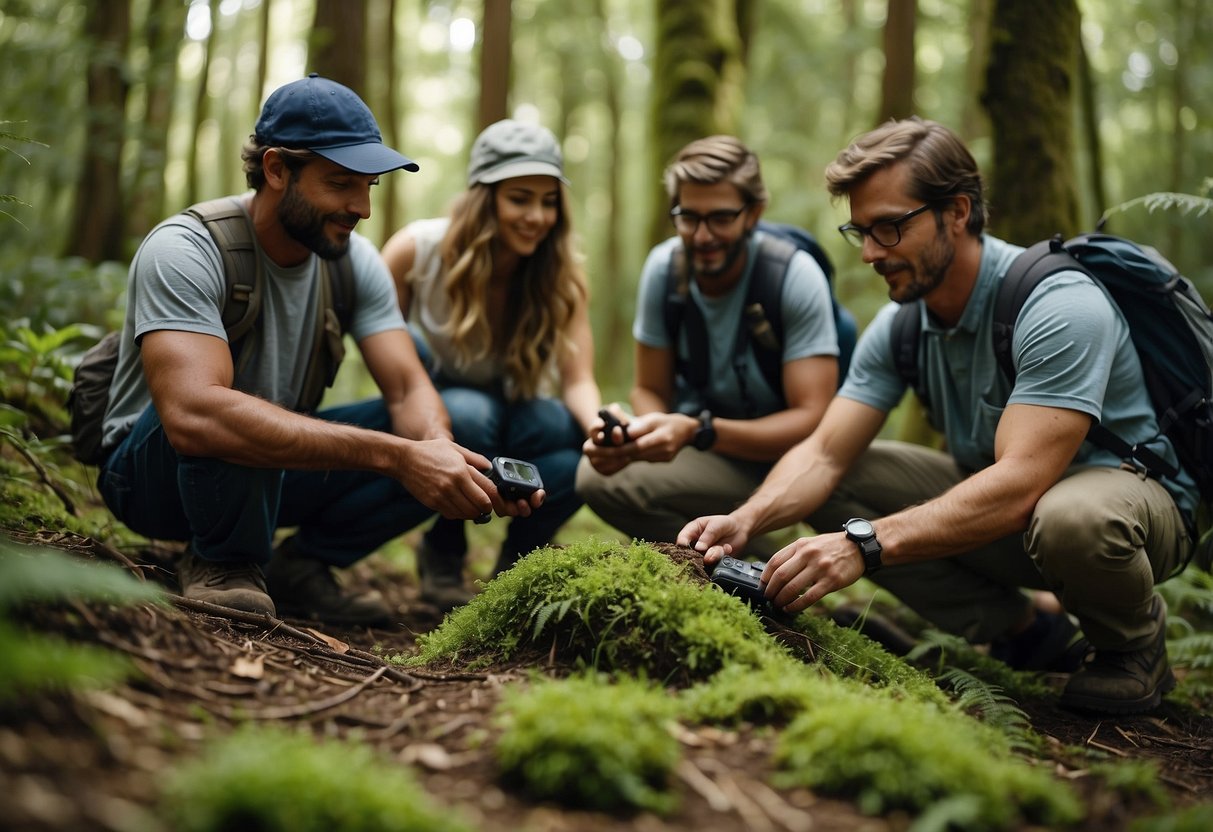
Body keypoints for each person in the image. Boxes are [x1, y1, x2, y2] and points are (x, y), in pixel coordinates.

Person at [679, 117, 1198, 715]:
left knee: (1071, 517)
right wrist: (746, 519)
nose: (871, 253)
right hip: (1015, 516)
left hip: (1124, 513)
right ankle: (1024, 631)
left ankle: (1131, 645)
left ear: (956, 211)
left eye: (890, 228)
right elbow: (824, 453)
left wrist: (865, 545)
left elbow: (1024, 481)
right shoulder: (904, 324)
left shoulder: (1059, 304)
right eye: (860, 231)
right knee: (839, 480)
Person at [97, 75, 541, 626]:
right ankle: (226, 562)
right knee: (235, 408)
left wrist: (437, 453)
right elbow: (192, 416)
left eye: (370, 186)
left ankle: (304, 566)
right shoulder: (186, 249)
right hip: (152, 478)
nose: (363, 208)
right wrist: (397, 456)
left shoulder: (355, 263)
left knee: (456, 424)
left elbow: (407, 387)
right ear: (278, 169)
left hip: (267, 470)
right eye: (341, 184)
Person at [575, 136, 840, 556]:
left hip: (793, 461)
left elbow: (813, 417)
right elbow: (648, 389)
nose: (701, 236)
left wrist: (696, 430)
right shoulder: (665, 270)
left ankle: (771, 555)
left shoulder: (792, 275)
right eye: (688, 217)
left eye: (720, 218)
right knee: (597, 477)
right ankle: (738, 563)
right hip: (712, 452)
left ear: (753, 213)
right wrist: (649, 433)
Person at [381, 119, 601, 609]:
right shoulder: (416, 251)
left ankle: (517, 565)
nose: (537, 216)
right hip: (442, 413)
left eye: (548, 201)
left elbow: (579, 378)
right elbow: (385, 354)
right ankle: (443, 549)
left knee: (573, 455)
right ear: (485, 197)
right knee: (473, 413)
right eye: (520, 198)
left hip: (519, 412)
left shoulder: (562, 272)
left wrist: (600, 429)